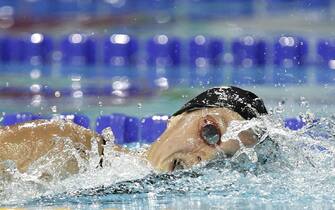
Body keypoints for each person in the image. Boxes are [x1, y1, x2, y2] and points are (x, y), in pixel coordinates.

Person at [0, 86, 267, 178]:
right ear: (176, 119)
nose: (206, 159)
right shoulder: (64, 146)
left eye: (225, 161)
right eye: (210, 133)